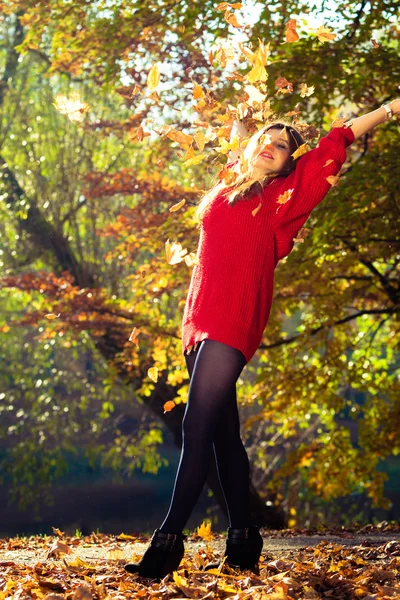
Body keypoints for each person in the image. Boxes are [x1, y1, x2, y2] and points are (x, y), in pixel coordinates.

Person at [124, 99, 399, 580]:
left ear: (291, 162)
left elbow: (337, 141)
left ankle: (167, 542)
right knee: (225, 437)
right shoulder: (229, 183)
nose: (273, 147)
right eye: (266, 141)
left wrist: (389, 110)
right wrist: (241, 117)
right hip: (198, 319)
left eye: (283, 146)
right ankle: (245, 536)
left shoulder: (286, 196)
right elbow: (241, 136)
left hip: (235, 319)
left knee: (196, 429)